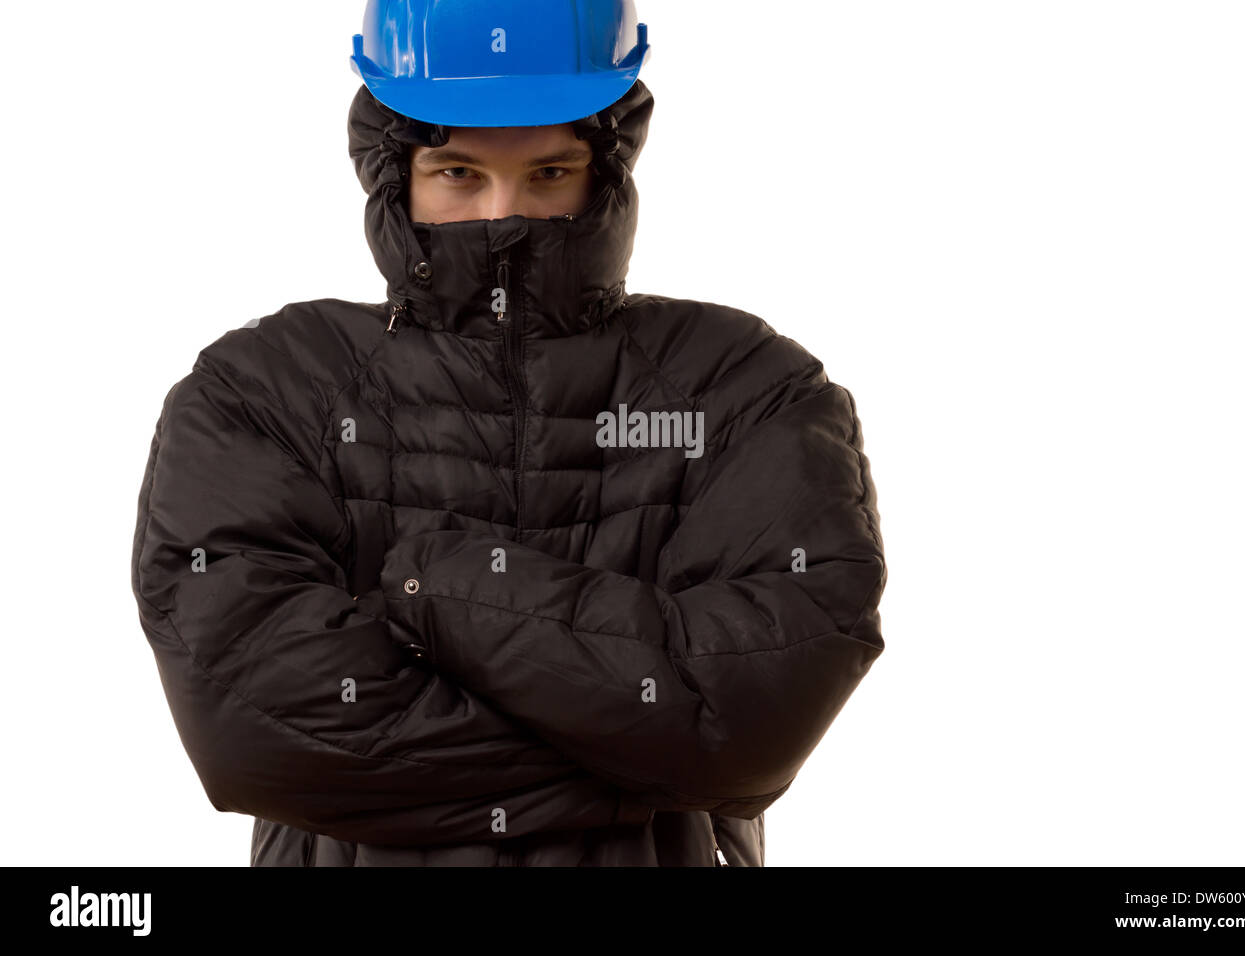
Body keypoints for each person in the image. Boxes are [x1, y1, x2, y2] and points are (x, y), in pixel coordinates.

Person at [130, 0, 888, 867]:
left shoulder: (745, 386)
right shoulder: (263, 390)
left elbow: (752, 716)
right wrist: (647, 759)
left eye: (550, 173)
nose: (507, 216)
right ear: (392, 170)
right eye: (458, 173)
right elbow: (254, 731)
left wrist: (438, 585)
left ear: (607, 166)